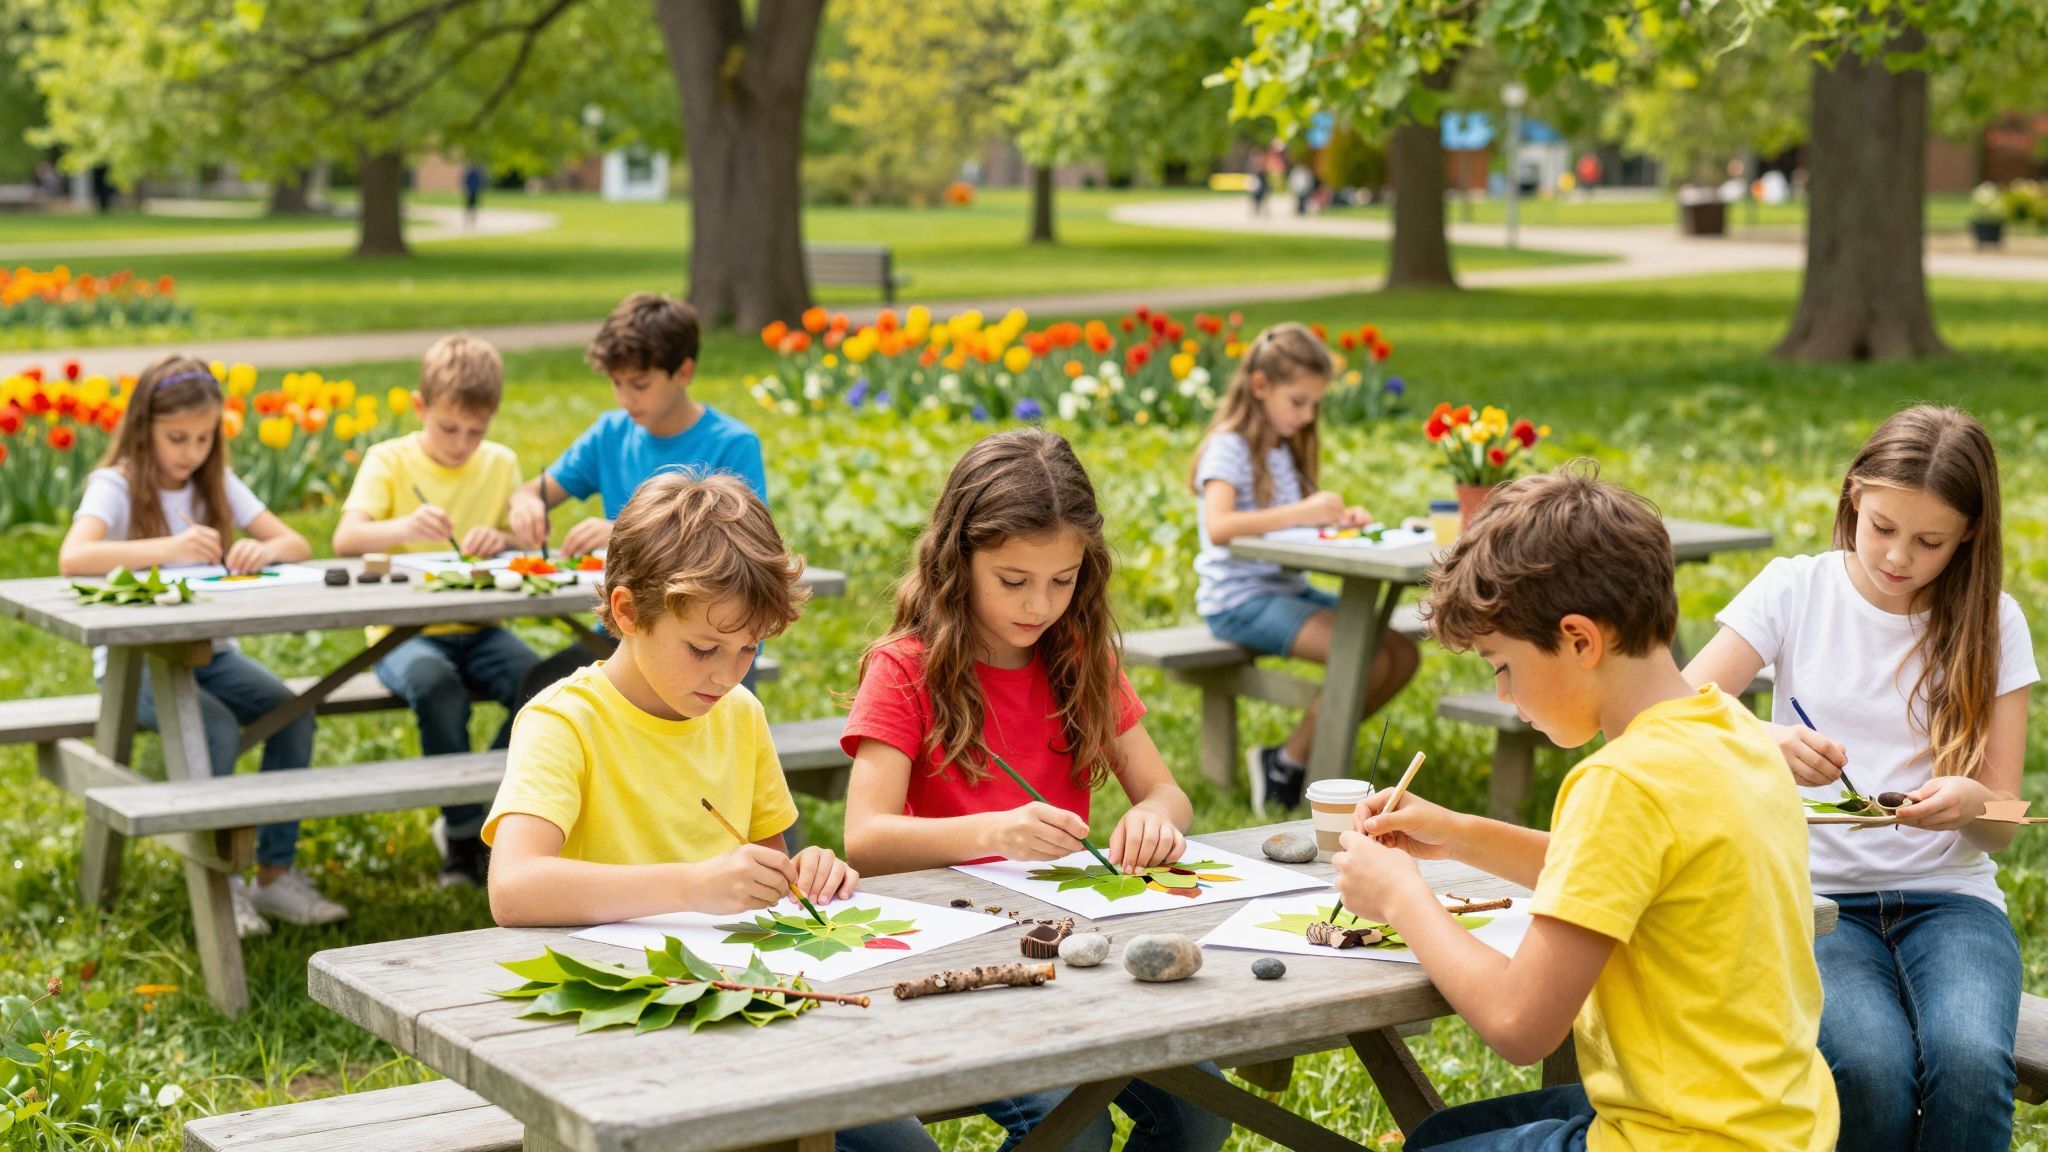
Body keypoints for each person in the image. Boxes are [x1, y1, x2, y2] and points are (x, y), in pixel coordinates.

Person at [1335, 463, 1837, 1151]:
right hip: (1779, 1124)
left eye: (1502, 665)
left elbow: (1519, 1025)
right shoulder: (1735, 732)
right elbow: (1623, 875)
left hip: (1681, 1138)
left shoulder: (1620, 783)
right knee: (1445, 1134)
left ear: (1579, 640)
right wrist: (1458, 835)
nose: (1504, 694)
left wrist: (1401, 898)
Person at [841, 428, 1231, 1152]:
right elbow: (864, 839)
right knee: (1073, 1132)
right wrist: (994, 832)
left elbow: (1166, 792)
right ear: (957, 561)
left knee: (1200, 1110)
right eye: (1013, 580)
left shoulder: (1078, 659)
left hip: (1071, 944)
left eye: (1063, 579)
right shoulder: (904, 668)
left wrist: (1153, 817)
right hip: (954, 955)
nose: (1039, 605)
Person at [1684, 406, 2031, 1151]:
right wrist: (1764, 739)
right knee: (1868, 1069)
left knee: (1970, 1063)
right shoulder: (1795, 590)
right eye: (1881, 527)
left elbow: (2003, 826)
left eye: (1929, 541)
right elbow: (1670, 713)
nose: (1898, 557)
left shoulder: (1995, 623)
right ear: (1853, 496)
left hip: (1953, 901)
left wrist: (1972, 802)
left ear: (1969, 533)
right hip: (1816, 903)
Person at [58, 355, 343, 936]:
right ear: (144, 428)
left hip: (213, 656)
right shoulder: (116, 485)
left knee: (292, 714)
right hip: (134, 666)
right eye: (176, 438)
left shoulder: (216, 483)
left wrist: (264, 550)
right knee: (212, 727)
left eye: (204, 438)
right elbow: (74, 557)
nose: (190, 451)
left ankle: (274, 875)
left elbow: (296, 543)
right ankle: (221, 884)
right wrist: (167, 549)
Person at [333, 333, 539, 888]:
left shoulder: (500, 463)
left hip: (481, 627)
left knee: (543, 687)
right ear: (420, 407)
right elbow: (346, 538)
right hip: (403, 634)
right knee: (437, 687)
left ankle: (485, 811)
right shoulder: (389, 459)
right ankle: (463, 840)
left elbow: (517, 539)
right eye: (449, 429)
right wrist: (402, 527)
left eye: (477, 431)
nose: (462, 444)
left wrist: (502, 538)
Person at [1190, 323, 1418, 814]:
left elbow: (1290, 524)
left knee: (1401, 654)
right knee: (1366, 657)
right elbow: (1220, 525)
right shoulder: (1229, 446)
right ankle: (1290, 766)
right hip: (1239, 600)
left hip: (1287, 590)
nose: (1308, 414)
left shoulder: (1283, 449)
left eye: (1315, 403)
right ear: (1260, 386)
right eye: (1298, 402)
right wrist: (1301, 511)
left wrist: (1338, 520)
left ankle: (1291, 755)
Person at [508, 293, 767, 704]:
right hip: (624, 636)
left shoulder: (732, 444)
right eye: (617, 383)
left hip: (713, 644)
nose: (626, 398)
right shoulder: (610, 434)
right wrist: (527, 505)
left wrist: (623, 534)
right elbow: (533, 491)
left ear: (683, 372)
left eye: (640, 385)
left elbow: (744, 554)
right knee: (538, 686)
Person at [462, 164, 486, 228]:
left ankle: (471, 219)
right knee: (470, 206)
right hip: (472, 191)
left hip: (473, 191)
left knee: (472, 206)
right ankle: (469, 219)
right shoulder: (475, 174)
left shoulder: (473, 174)